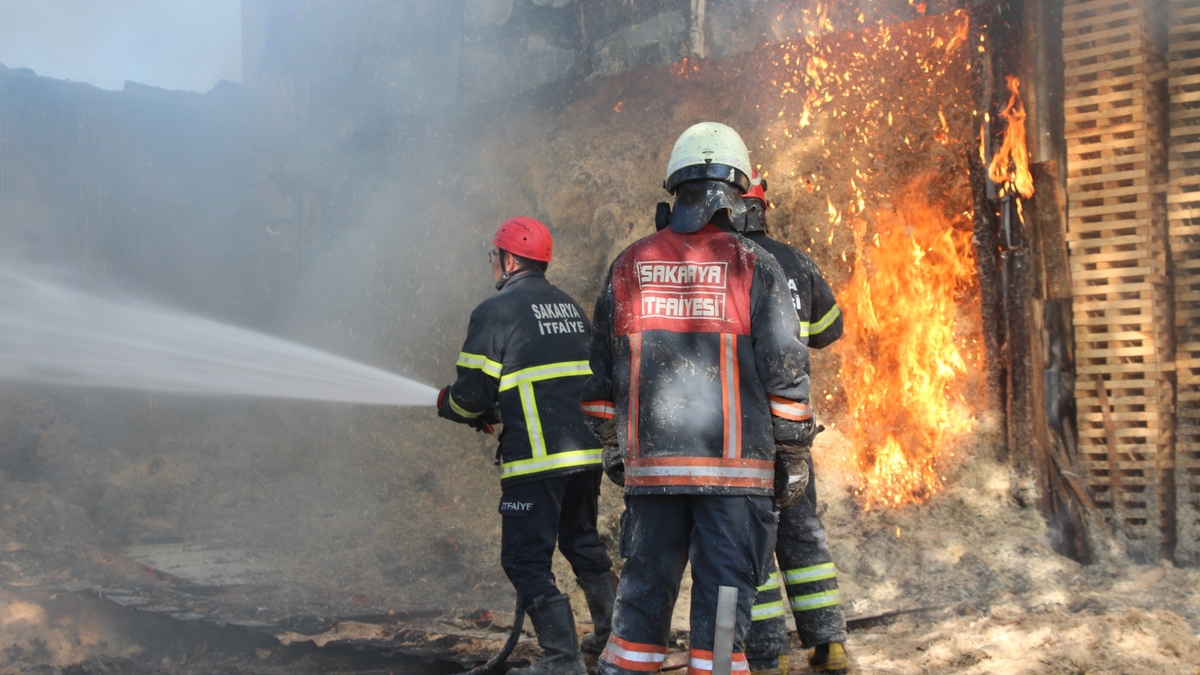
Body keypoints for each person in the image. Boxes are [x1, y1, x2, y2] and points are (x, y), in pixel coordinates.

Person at [581, 122, 817, 675]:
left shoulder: (627, 266)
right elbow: (786, 373)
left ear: (675, 188)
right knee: (721, 626)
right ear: (735, 193)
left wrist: (616, 450)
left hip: (653, 480)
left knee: (638, 614)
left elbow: (598, 384)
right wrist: (794, 456)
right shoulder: (753, 265)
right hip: (734, 488)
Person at [437, 217, 617, 675]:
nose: (493, 265)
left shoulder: (495, 310)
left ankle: (561, 659)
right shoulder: (568, 307)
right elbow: (548, 381)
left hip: (538, 460)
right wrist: (499, 409)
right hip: (585, 451)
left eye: (494, 257)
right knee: (581, 541)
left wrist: (453, 405)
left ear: (509, 259)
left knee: (524, 559)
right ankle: (614, 637)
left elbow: (470, 395)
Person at [737, 170, 849, 675]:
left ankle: (767, 656)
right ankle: (829, 645)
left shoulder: (727, 263)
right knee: (803, 534)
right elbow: (829, 329)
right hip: (794, 426)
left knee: (750, 537)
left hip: (744, 428)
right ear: (762, 211)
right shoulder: (797, 261)